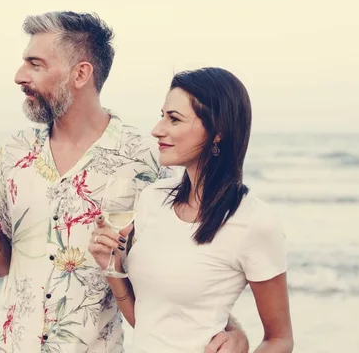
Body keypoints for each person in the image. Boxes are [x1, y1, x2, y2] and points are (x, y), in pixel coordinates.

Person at [0, 11, 248, 352]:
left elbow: (185, 269)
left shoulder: (148, 161)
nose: (20, 76)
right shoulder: (15, 152)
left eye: (35, 64)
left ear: (80, 74)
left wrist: (230, 328)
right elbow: (2, 264)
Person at [88, 67, 294, 353]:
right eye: (162, 115)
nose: (157, 129)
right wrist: (112, 267)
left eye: (174, 119)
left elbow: (279, 340)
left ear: (217, 133)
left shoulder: (254, 222)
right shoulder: (153, 199)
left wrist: (239, 343)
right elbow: (148, 322)